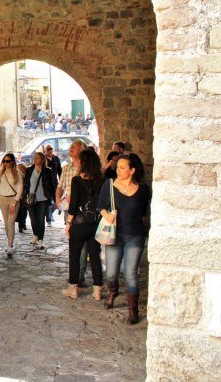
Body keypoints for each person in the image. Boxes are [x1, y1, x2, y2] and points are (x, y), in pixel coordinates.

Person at [99, 153, 150, 324]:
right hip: (115, 236)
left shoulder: (143, 189)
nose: (118, 170)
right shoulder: (109, 186)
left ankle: (132, 310)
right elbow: (100, 206)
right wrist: (107, 215)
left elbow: (143, 213)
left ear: (132, 170)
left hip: (134, 236)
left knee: (130, 274)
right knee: (111, 273)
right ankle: (112, 291)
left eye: (122, 167)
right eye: (117, 167)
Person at [62, 149, 105, 300]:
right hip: (95, 223)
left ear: (83, 162)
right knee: (95, 256)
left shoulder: (77, 180)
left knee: (74, 255)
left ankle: (73, 288)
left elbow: (73, 205)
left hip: (80, 223)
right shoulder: (101, 180)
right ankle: (97, 290)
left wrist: (68, 223)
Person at [56, 139, 88, 285]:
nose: (71, 149)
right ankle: (75, 273)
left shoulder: (86, 168)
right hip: (69, 207)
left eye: (74, 147)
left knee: (82, 243)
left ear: (82, 150)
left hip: (82, 209)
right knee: (72, 241)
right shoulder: (66, 168)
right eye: (70, 147)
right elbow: (60, 185)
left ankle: (79, 275)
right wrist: (57, 198)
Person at [22, 152, 55, 250]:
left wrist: (54, 198)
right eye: (34, 157)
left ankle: (40, 239)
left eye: (37, 158)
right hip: (30, 198)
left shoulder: (47, 171)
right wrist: (23, 195)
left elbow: (52, 185)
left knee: (41, 219)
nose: (35, 159)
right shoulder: (29, 170)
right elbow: (26, 184)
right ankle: (35, 235)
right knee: (33, 218)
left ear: (42, 159)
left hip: (43, 198)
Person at [0, 153, 23, 258]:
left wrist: (14, 202)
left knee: (11, 223)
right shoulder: (1, 172)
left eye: (8, 161)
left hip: (13, 199)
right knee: (6, 224)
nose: (6, 163)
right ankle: (10, 243)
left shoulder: (17, 173)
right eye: (4, 161)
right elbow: (0, 187)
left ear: (13, 161)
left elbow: (20, 188)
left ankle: (10, 246)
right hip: (2, 199)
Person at [45, 145, 62, 225]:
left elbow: (59, 170)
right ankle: (48, 219)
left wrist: (62, 180)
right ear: (45, 151)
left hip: (54, 182)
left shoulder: (56, 158)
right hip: (46, 183)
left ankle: (50, 213)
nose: (50, 151)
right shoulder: (44, 159)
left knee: (56, 200)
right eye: (48, 149)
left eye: (51, 149)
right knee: (49, 201)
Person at [15, 163, 28, 232]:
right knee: (20, 211)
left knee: (24, 211)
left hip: (25, 195)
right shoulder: (16, 176)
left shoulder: (27, 176)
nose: (20, 169)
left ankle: (23, 224)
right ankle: (21, 226)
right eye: (19, 167)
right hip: (17, 195)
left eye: (21, 167)